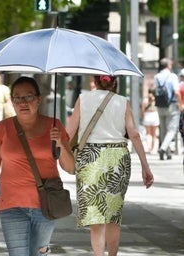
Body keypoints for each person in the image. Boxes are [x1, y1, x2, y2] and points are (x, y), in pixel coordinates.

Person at [0, 76, 75, 256]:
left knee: (38, 254)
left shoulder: (54, 126)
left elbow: (70, 167)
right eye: (17, 98)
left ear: (38, 99)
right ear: (11, 101)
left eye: (28, 97)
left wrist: (59, 143)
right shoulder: (2, 128)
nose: (23, 102)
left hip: (45, 205)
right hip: (12, 206)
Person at [66, 75, 154, 256]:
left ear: (95, 81)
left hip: (90, 157)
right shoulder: (123, 102)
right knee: (113, 216)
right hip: (117, 157)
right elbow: (134, 134)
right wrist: (146, 167)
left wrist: (56, 152)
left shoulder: (83, 99)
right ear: (115, 82)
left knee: (95, 216)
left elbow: (69, 132)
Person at [154, 58, 182, 160]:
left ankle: (167, 153)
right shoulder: (172, 76)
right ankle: (163, 148)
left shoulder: (157, 76)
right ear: (169, 65)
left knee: (163, 130)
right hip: (171, 105)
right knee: (172, 130)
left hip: (160, 105)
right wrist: (180, 104)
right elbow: (176, 92)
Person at [141, 89, 159, 153]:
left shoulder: (145, 100)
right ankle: (153, 149)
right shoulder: (156, 99)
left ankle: (149, 148)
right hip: (154, 115)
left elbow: (142, 110)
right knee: (154, 134)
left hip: (147, 115)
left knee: (148, 133)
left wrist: (143, 116)